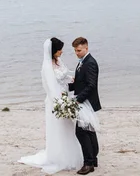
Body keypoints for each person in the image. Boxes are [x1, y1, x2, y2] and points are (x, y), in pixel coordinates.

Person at [18, 37, 83, 174]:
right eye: (59, 50)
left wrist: (74, 80)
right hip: (56, 102)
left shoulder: (59, 61)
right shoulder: (47, 66)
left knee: (68, 128)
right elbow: (50, 86)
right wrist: (60, 102)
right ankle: (59, 157)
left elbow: (64, 77)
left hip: (65, 97)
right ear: (53, 51)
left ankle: (71, 154)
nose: (62, 52)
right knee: (58, 128)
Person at [68, 37, 101, 175]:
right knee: (88, 129)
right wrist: (64, 86)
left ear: (86, 48)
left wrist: (78, 100)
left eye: (79, 50)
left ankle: (88, 163)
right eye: (75, 50)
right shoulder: (82, 62)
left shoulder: (90, 63)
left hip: (85, 101)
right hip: (83, 100)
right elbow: (80, 82)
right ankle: (93, 159)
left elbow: (91, 85)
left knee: (81, 132)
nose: (77, 53)